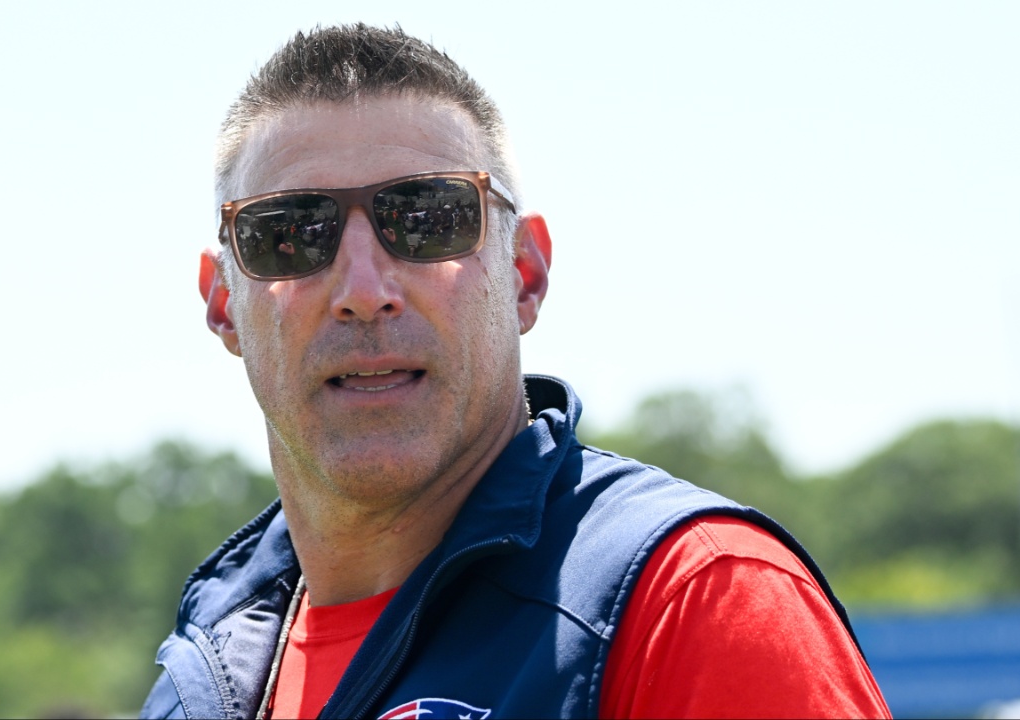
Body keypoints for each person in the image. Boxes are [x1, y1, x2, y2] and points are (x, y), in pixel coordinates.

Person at [142, 24, 890, 720]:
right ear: (223, 303)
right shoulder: (194, 680)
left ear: (524, 275)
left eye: (428, 219)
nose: (364, 290)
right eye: (288, 235)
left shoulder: (695, 601)